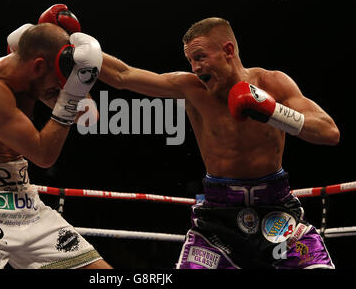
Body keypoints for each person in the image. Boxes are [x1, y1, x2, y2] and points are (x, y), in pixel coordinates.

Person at [98, 17, 339, 269]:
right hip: (217, 221)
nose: (195, 68)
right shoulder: (191, 89)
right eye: (191, 61)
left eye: (200, 57)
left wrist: (272, 111)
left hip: (278, 214)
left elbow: (329, 132)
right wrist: (76, 46)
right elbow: (123, 75)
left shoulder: (272, 83)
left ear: (228, 51)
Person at [0, 20, 111, 269]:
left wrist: (77, 81)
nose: (57, 88)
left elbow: (88, 116)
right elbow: (44, 155)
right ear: (38, 66)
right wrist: (70, 96)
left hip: (23, 196)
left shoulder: (28, 76)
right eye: (56, 81)